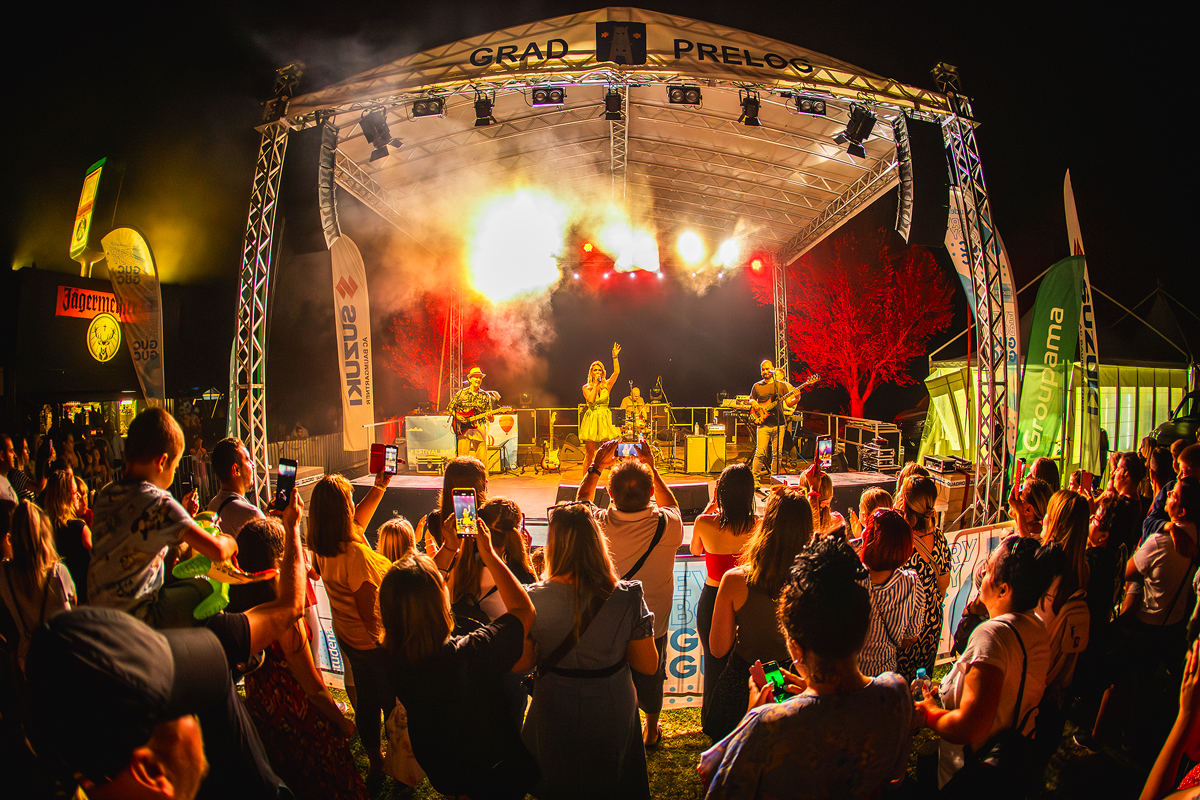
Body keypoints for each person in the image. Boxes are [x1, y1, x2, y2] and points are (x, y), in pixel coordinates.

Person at [698, 537, 913, 799]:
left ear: (795, 649)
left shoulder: (768, 724)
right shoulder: (895, 692)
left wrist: (750, 720)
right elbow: (895, 776)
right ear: (865, 631)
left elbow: (719, 791)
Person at [380, 530, 538, 800]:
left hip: (441, 764)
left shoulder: (390, 656)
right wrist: (490, 555)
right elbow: (524, 611)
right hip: (489, 770)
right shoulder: (471, 653)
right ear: (439, 603)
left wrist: (448, 549)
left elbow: (410, 590)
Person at [517, 502, 658, 800]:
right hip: (611, 700)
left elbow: (523, 663)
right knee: (611, 780)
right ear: (597, 542)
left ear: (553, 546)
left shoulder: (533, 599)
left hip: (555, 699)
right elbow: (648, 664)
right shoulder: (628, 596)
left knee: (559, 780)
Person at [237, 516, 367, 800]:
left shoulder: (240, 611)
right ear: (278, 561)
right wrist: (342, 722)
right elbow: (313, 689)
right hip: (302, 722)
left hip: (266, 717)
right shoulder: (283, 618)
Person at [917, 535, 1054, 795]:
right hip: (1010, 763)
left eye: (989, 569)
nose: (982, 575)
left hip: (969, 774)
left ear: (1004, 590)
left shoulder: (991, 636)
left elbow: (970, 727)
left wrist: (929, 714)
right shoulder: (1036, 626)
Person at [87, 408, 238, 628]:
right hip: (138, 618)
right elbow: (218, 551)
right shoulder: (159, 503)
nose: (174, 472)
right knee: (205, 588)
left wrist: (184, 515)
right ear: (162, 461)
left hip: (99, 615)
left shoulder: (106, 494)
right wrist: (231, 541)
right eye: (175, 467)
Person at [578, 438, 683, 749]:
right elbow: (672, 505)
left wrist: (596, 467)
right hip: (653, 620)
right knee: (651, 674)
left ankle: (613, 725)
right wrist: (652, 468)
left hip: (607, 619)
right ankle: (650, 729)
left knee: (609, 672)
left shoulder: (596, 524)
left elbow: (580, 503)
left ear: (610, 494)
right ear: (650, 493)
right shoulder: (668, 525)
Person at [703, 485, 814, 742]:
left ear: (765, 525)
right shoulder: (815, 580)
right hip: (794, 681)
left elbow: (718, 649)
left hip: (745, 681)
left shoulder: (735, 580)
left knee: (737, 756)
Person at [308, 470, 395, 781]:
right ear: (342, 509)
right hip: (373, 645)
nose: (354, 504)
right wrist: (389, 647)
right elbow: (370, 615)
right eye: (350, 500)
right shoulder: (355, 555)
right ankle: (398, 762)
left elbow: (358, 522)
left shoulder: (324, 547)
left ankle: (376, 761)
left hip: (349, 639)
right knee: (389, 704)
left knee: (367, 702)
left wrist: (379, 487)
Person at [689, 463, 758, 722]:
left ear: (721, 492)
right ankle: (745, 713)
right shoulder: (759, 525)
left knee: (714, 661)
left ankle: (712, 717)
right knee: (747, 662)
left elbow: (695, 550)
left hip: (714, 598)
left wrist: (708, 511)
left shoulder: (704, 523)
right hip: (748, 600)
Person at [0, 501, 75, 669]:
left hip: (28, 659)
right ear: (45, 533)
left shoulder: (4, 574)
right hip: (62, 656)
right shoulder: (58, 573)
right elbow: (73, 604)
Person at [894, 475, 952, 682]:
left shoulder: (900, 540)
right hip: (931, 621)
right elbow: (943, 585)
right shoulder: (939, 538)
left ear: (905, 503)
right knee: (922, 680)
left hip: (904, 625)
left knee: (899, 683)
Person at [857, 508, 925, 677]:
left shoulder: (849, 579)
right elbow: (912, 635)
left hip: (850, 677)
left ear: (868, 539)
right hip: (885, 676)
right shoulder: (911, 584)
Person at [43, 468, 92, 603]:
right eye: (75, 492)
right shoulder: (79, 528)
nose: (78, 496)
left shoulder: (45, 528)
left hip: (59, 598)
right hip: (85, 597)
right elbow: (101, 557)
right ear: (66, 496)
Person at [206, 436, 265, 538]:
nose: (253, 465)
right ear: (236, 470)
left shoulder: (212, 506)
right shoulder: (252, 515)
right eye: (247, 460)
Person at [750, 360, 797, 481]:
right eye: (763, 369)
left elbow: (789, 403)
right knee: (760, 453)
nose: (765, 371)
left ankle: (775, 479)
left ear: (772, 369)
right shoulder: (757, 386)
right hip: (763, 424)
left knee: (777, 454)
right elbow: (751, 398)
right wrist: (753, 402)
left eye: (767, 369)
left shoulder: (781, 385)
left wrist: (797, 397)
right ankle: (755, 479)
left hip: (779, 424)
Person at [579, 343, 622, 466]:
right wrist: (595, 385)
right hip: (592, 418)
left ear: (603, 372)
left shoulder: (607, 385)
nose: (597, 372)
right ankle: (586, 477)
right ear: (591, 372)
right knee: (589, 453)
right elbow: (590, 400)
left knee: (608, 451)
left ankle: (612, 476)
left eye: (599, 370)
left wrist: (615, 357)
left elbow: (616, 372)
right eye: (595, 370)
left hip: (604, 418)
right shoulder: (586, 387)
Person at [448, 366, 496, 463]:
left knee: (482, 458)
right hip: (463, 428)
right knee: (462, 459)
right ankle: (462, 473)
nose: (478, 380)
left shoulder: (485, 395)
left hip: (479, 427)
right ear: (470, 379)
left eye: (480, 378)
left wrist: (490, 416)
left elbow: (490, 418)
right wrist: (458, 417)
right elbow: (450, 408)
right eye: (475, 377)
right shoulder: (461, 393)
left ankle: (482, 473)